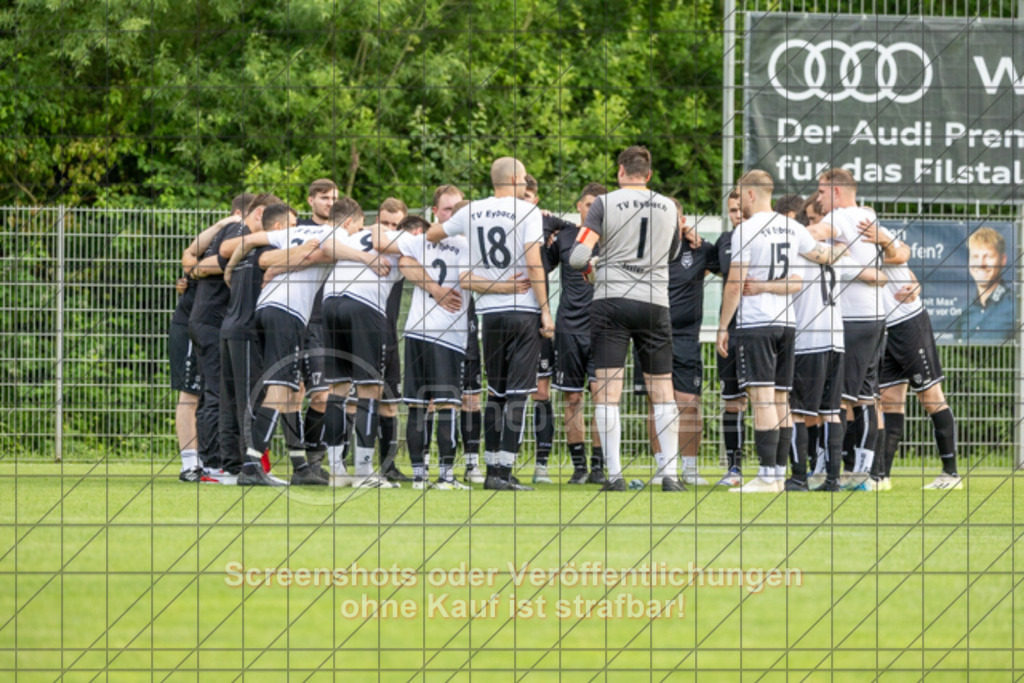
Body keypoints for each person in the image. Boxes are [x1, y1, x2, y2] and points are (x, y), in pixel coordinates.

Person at [426, 156, 554, 491]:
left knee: (495, 392)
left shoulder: (472, 211)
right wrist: (545, 310)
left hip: (490, 315)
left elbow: (433, 232)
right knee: (518, 393)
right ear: (513, 179)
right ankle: (504, 471)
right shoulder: (526, 211)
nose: (525, 184)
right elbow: (534, 263)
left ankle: (492, 468)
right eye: (523, 179)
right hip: (523, 310)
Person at [569, 145, 684, 492]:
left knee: (608, 392)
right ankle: (670, 475)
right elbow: (674, 253)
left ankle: (615, 475)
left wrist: (595, 266)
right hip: (654, 302)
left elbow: (578, 256)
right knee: (663, 390)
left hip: (612, 300)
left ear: (620, 171)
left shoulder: (604, 203)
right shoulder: (668, 206)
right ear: (649, 175)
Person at [716, 169, 838, 493]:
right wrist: (846, 245)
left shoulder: (746, 230)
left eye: (740, 194)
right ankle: (779, 473)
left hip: (757, 323)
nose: (739, 203)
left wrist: (723, 327)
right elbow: (805, 275)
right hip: (787, 323)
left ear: (751, 194)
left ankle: (767, 476)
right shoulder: (792, 228)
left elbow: (734, 284)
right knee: (782, 400)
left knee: (762, 400)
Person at [811, 169, 901, 490]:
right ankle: (863, 473)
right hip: (875, 318)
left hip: (852, 320)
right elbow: (898, 253)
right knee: (865, 397)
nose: (818, 198)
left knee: (837, 399)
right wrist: (867, 266)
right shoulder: (867, 216)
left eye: (822, 192)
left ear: (836, 192)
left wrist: (782, 230)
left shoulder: (840, 217)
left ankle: (829, 473)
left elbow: (815, 232)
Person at [862, 219, 963, 490]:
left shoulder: (877, 236)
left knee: (931, 397)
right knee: (888, 400)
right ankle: (881, 476)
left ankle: (951, 474)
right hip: (883, 330)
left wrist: (914, 287)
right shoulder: (844, 243)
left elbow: (902, 256)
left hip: (909, 324)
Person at [185, 193, 278, 481]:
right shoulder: (239, 231)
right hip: (214, 321)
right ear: (259, 213)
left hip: (216, 321)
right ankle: (216, 463)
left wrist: (194, 269)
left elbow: (193, 256)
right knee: (218, 393)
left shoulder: (235, 231)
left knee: (223, 393)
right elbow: (217, 257)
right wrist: (200, 270)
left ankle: (227, 462)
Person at [639, 198, 720, 486]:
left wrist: (700, 239)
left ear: (683, 220)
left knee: (689, 403)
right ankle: (664, 468)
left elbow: (729, 269)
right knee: (657, 403)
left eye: (673, 217)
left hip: (686, 337)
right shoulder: (642, 247)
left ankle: (690, 468)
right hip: (650, 335)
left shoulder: (699, 249)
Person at [549, 182, 609, 485]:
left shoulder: (613, 237)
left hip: (604, 328)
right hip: (569, 328)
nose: (592, 209)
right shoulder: (565, 237)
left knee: (602, 398)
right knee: (572, 398)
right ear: (579, 206)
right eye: (588, 204)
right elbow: (537, 266)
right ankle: (579, 467)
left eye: (598, 205)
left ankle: (598, 467)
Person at [431, 186, 486, 483]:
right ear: (436, 212)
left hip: (467, 326)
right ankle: (428, 463)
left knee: (471, 398)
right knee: (433, 400)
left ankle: (472, 463)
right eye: (448, 210)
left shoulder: (474, 242)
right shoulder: (426, 241)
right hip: (433, 330)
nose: (455, 215)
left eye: (460, 210)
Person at [523, 174, 575, 484]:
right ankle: (499, 461)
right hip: (504, 310)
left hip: (537, 314)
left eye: (528, 196)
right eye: (519, 195)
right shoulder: (499, 219)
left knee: (541, 392)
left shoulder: (546, 222)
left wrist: (552, 230)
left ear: (536, 199)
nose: (523, 200)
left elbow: (575, 231)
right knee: (506, 389)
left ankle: (541, 465)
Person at [295, 178, 339, 481]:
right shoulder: (298, 229)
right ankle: (299, 462)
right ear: (311, 200)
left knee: (324, 396)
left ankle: (314, 461)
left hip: (330, 322)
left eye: (334, 198)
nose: (330, 203)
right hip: (301, 319)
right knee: (294, 394)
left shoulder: (344, 233)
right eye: (324, 198)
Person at [376, 197, 413, 483]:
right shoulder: (364, 244)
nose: (389, 229)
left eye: (395, 224)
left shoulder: (405, 251)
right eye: (384, 223)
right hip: (363, 332)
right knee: (357, 401)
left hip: (389, 336)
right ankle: (344, 466)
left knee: (390, 404)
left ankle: (388, 467)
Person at [714, 189, 748, 487]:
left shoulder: (766, 238)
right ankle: (734, 469)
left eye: (741, 209)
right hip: (731, 332)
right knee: (732, 402)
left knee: (772, 401)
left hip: (762, 329)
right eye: (733, 211)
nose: (738, 216)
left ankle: (777, 468)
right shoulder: (724, 241)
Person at [955, 227, 1014, 343]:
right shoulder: (965, 310)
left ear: (1002, 260)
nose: (981, 264)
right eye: (975, 257)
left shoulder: (1017, 307)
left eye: (988, 257)